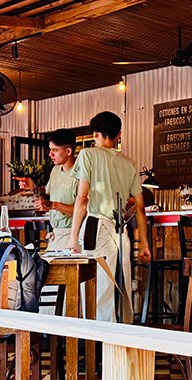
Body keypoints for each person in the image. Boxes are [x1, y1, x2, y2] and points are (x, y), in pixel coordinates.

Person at [68, 111, 151, 322]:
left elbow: (83, 198)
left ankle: (97, 345)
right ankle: (121, 340)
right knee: (121, 287)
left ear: (95, 133)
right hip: (121, 231)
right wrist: (144, 244)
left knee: (97, 289)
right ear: (119, 134)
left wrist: (72, 237)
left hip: (95, 227)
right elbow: (140, 208)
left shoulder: (88, 155)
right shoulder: (130, 164)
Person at [35, 129, 79, 250]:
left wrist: (53, 205)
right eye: (50, 150)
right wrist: (33, 187)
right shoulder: (55, 171)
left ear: (68, 151)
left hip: (73, 235)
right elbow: (46, 195)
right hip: (56, 234)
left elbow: (82, 210)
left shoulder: (80, 173)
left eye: (55, 150)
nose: (50, 154)